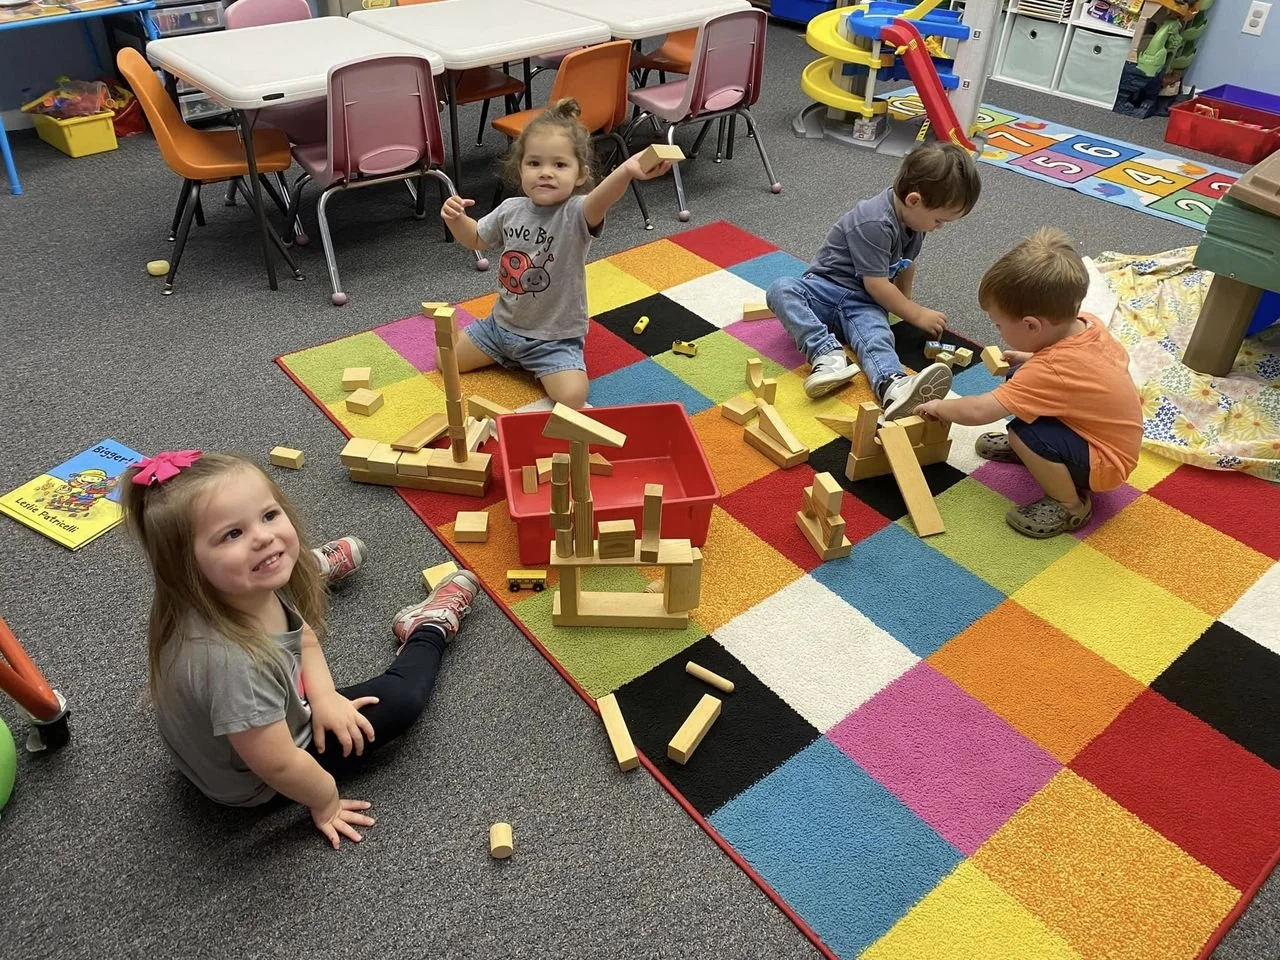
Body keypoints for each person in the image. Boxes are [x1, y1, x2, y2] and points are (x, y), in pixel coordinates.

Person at [121, 450, 481, 848]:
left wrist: (325, 696)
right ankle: (427, 627)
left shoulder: (202, 594)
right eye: (232, 534)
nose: (262, 535)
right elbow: (279, 763)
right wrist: (325, 800)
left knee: (270, 570)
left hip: (236, 730)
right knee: (403, 702)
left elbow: (302, 633)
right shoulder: (236, 668)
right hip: (257, 776)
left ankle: (303, 566)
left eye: (269, 515)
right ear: (187, 566)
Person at [440, 99, 674, 409]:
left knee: (573, 396)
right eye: (534, 163)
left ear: (580, 175)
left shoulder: (577, 212)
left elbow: (603, 198)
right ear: (520, 168)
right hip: (500, 327)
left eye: (559, 165)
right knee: (444, 360)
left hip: (553, 339)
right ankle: (513, 358)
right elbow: (475, 239)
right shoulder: (510, 209)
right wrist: (456, 219)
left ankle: (536, 364)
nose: (546, 173)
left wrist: (628, 171)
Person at [915, 228, 1143, 538]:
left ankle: (1070, 506)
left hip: (1104, 464)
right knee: (1021, 373)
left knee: (1024, 433)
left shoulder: (1052, 369)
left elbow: (982, 410)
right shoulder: (1087, 323)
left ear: (1032, 325)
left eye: (998, 325)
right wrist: (1030, 357)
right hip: (1105, 437)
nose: (997, 330)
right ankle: (1046, 456)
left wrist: (941, 407)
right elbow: (1081, 373)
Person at [766, 143, 982, 418]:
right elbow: (877, 284)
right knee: (781, 289)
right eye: (939, 220)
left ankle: (893, 386)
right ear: (914, 200)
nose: (939, 228)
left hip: (863, 304)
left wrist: (905, 302)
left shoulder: (915, 223)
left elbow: (907, 262)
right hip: (825, 290)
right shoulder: (874, 222)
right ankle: (827, 354)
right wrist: (915, 314)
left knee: (878, 337)